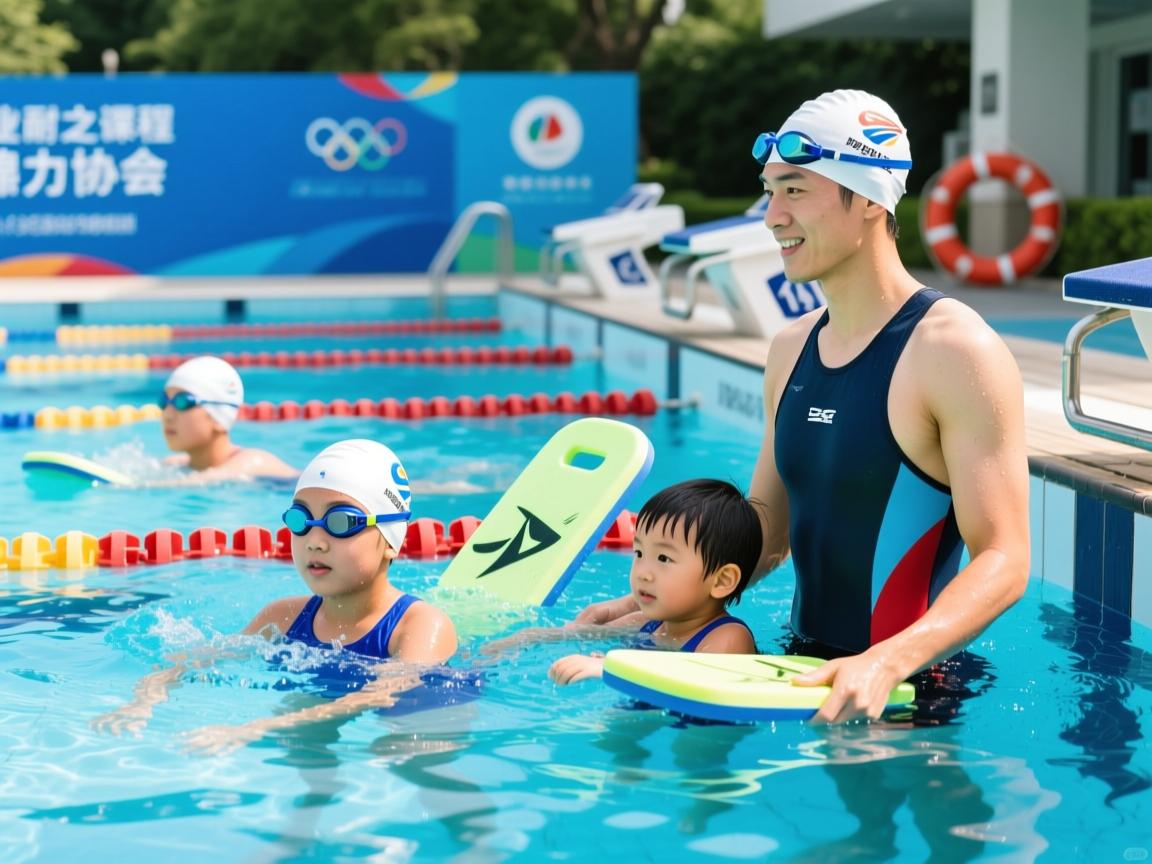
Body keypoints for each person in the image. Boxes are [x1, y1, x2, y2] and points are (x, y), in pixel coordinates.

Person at [578, 90, 1030, 724]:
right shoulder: (791, 348)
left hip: (910, 689)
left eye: (794, 190)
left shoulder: (953, 350)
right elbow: (767, 526)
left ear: (870, 198)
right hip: (794, 671)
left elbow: (1004, 558)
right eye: (770, 191)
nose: (771, 216)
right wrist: (652, 610)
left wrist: (887, 662)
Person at [94, 439, 460, 751]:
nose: (315, 541)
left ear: (391, 540)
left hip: (420, 721)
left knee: (402, 753)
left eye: (341, 522)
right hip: (319, 703)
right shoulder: (281, 618)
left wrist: (251, 731)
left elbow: (380, 695)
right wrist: (143, 702)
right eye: (301, 520)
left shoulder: (420, 625)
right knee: (299, 740)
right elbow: (194, 660)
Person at [504, 478, 761, 685]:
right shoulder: (650, 623)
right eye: (639, 553)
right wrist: (528, 637)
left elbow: (699, 683)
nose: (643, 573)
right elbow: (583, 634)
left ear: (722, 580)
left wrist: (610, 666)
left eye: (663, 558)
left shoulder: (727, 637)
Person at [160, 354, 297, 480]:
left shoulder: (252, 462)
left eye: (183, 402)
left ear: (219, 418)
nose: (167, 415)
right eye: (164, 401)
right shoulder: (176, 464)